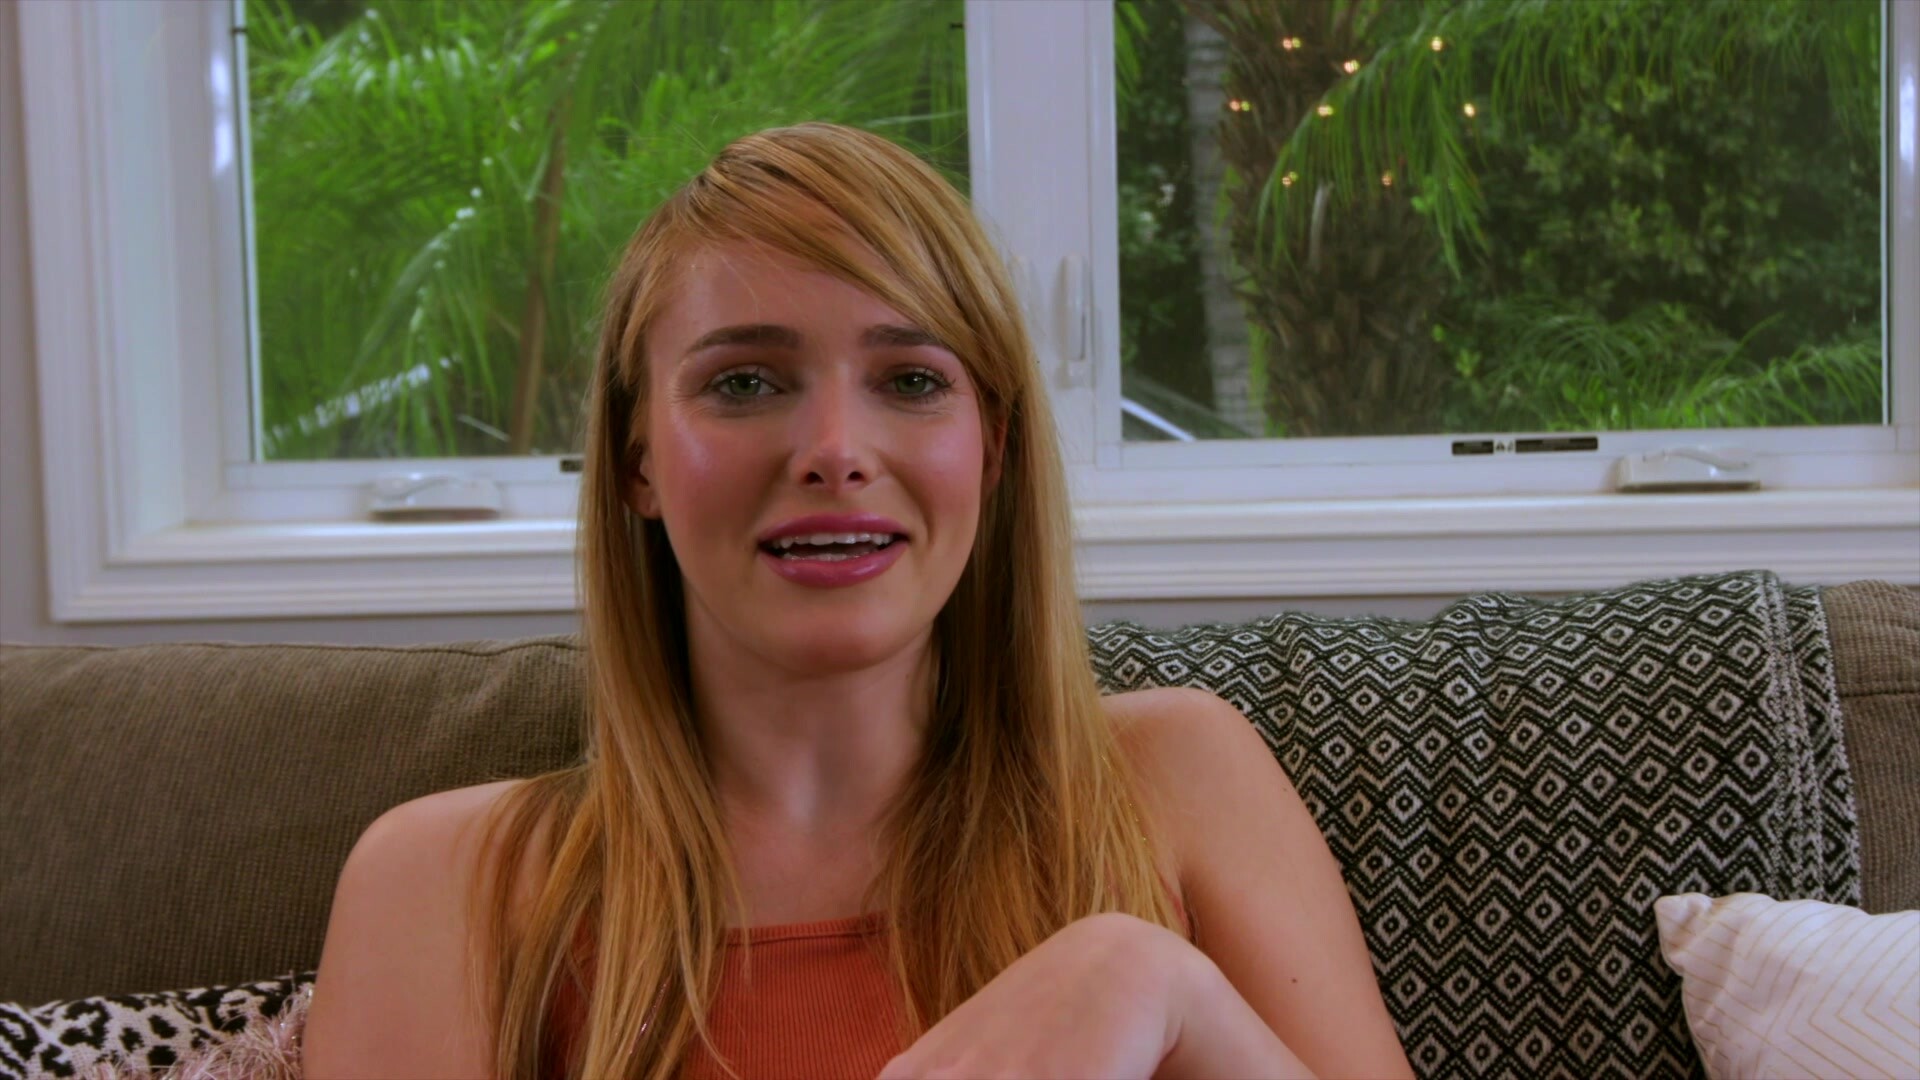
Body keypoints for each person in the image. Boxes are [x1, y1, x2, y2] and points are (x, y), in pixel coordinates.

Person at [301, 122, 1411, 1080]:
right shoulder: (445, 883)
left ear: (993, 449)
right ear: (637, 460)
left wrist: (1165, 988)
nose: (835, 450)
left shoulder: (1181, 779)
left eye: (912, 381)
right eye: (744, 383)